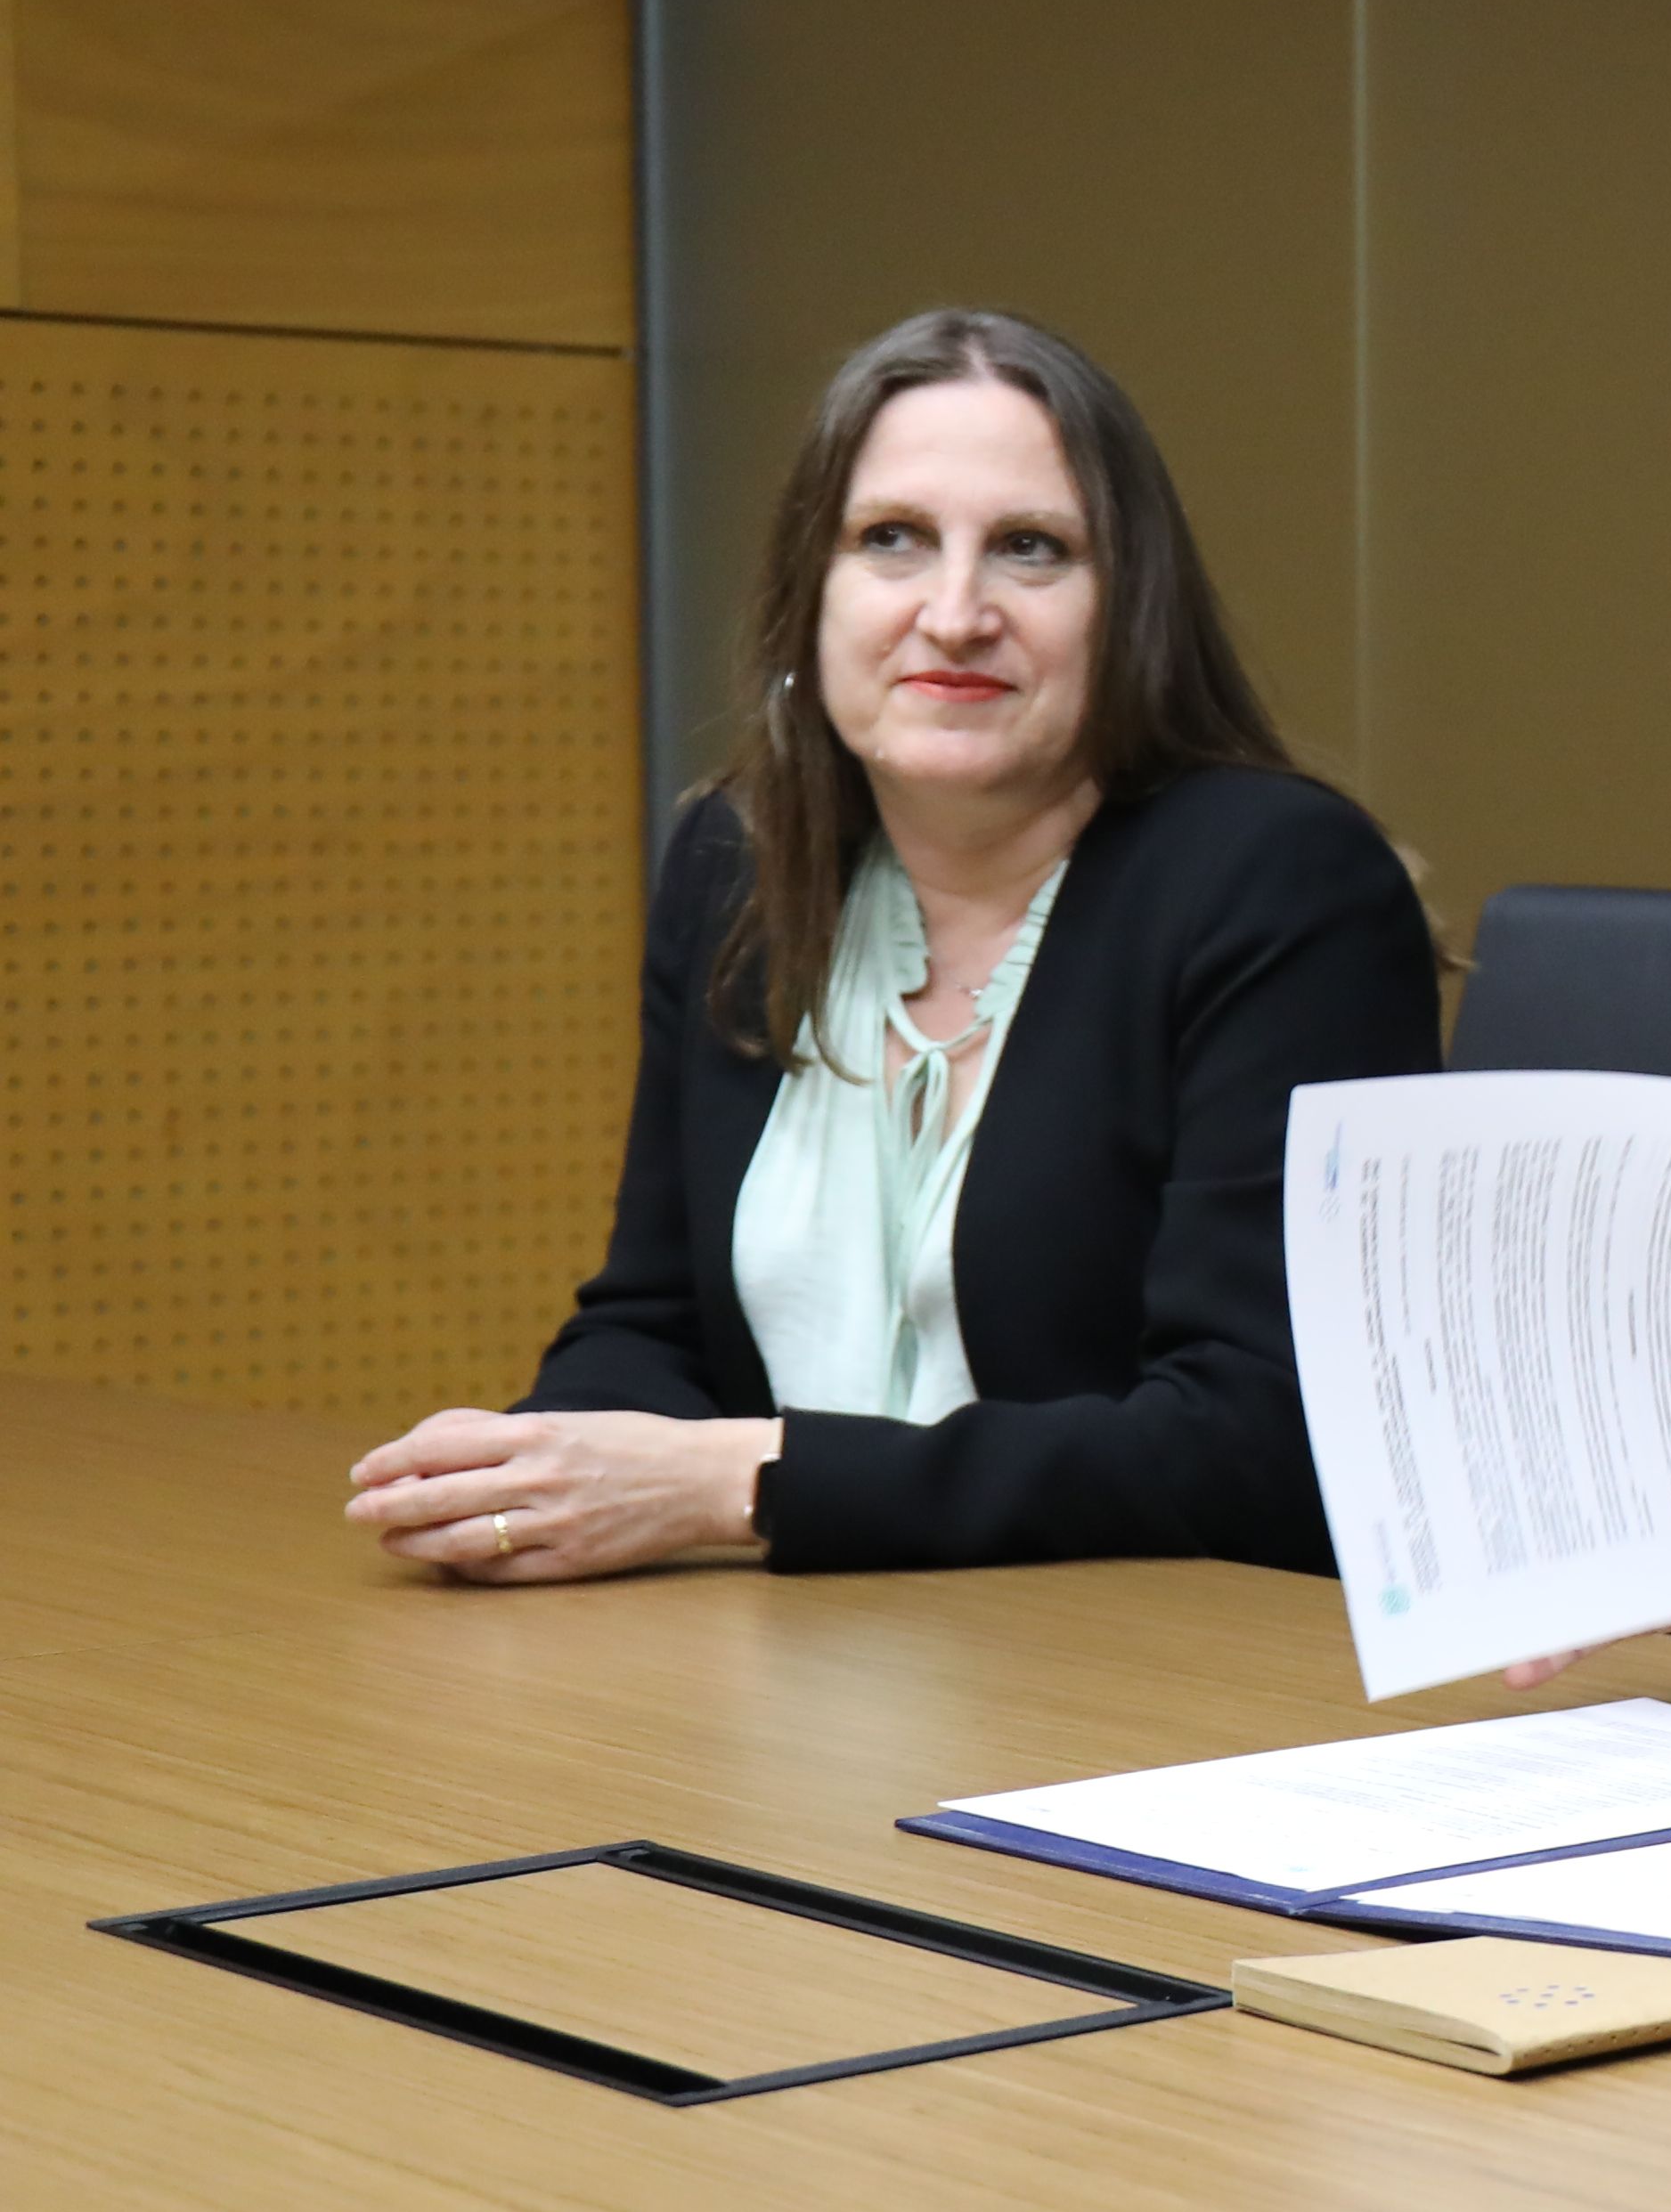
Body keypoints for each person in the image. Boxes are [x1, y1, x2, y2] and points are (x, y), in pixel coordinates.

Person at [347, 311, 1439, 1580]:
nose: (955, 612)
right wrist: (524, 1472)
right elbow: (652, 1325)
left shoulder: (1277, 883)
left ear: (1128, 608)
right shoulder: (739, 862)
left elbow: (1255, 1443)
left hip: (1143, 1684)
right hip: (794, 1663)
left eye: (1031, 550)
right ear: (811, 597)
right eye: (892, 543)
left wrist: (744, 1484)